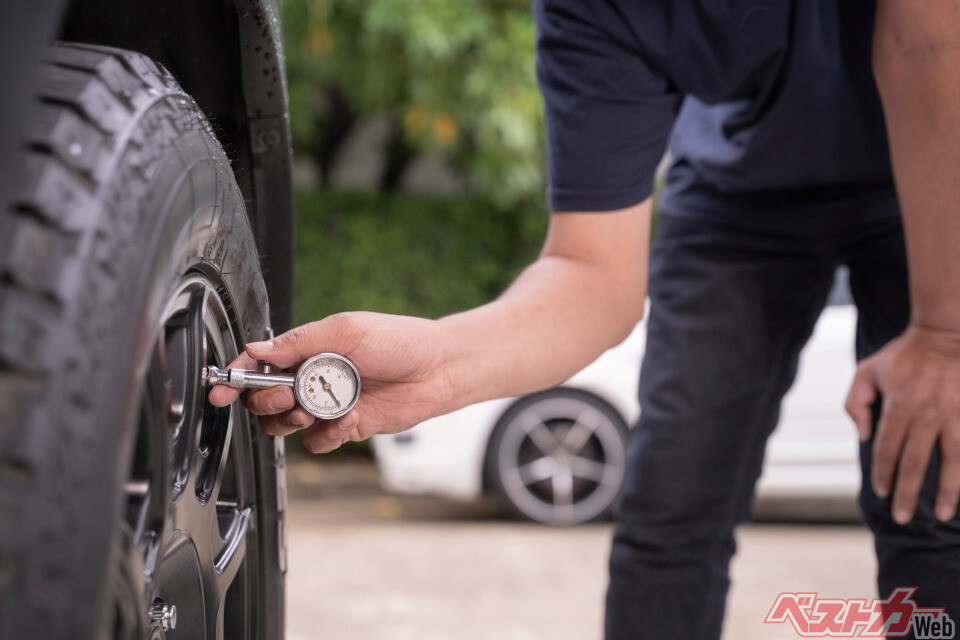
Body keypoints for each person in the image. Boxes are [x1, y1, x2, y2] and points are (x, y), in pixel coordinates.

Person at [210, 0, 960, 637]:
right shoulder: (591, 11)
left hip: (938, 168)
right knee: (669, 516)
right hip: (738, 197)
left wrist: (942, 333)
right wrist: (437, 364)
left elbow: (926, 38)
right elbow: (591, 276)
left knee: (932, 506)